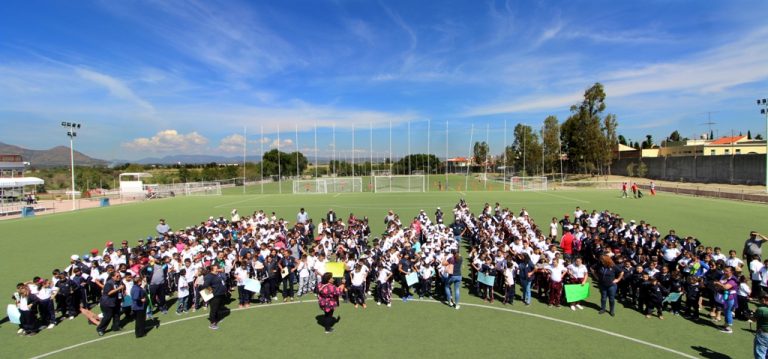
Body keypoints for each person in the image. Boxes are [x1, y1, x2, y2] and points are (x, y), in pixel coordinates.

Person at [713, 266, 739, 333]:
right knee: (725, 311)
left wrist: (718, 283)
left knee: (728, 311)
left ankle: (728, 328)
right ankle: (725, 325)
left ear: (732, 272)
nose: (725, 272)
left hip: (730, 297)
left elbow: (726, 287)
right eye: (724, 270)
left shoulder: (733, 280)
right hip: (725, 297)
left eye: (727, 271)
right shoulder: (723, 276)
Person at [96, 271, 123, 336]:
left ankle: (115, 327)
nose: (119, 277)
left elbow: (120, 290)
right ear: (112, 277)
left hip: (116, 302)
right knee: (108, 316)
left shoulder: (119, 282)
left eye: (119, 276)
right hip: (107, 303)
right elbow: (109, 293)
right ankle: (100, 329)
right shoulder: (109, 283)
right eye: (117, 276)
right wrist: (119, 288)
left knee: (116, 315)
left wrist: (121, 297)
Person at [202, 265, 228, 330]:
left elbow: (224, 279)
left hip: (219, 294)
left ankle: (216, 319)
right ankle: (212, 323)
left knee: (217, 307)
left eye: (217, 268)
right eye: (216, 268)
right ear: (212, 270)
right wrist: (210, 291)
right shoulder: (209, 276)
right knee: (214, 309)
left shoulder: (217, 275)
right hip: (214, 295)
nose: (218, 269)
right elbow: (205, 285)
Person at [753, 294, 768, 359]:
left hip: (763, 334)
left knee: (760, 354)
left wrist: (748, 315)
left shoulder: (761, 309)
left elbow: (754, 319)